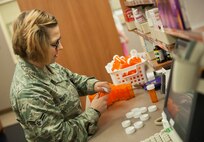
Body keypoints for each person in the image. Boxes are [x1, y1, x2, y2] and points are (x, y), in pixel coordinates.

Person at [10, 9, 111, 142]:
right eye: (55, 43)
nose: (61, 47)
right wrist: (94, 112)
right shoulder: (28, 92)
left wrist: (93, 85)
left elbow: (73, 80)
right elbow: (60, 137)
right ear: (36, 46)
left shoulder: (44, 63)